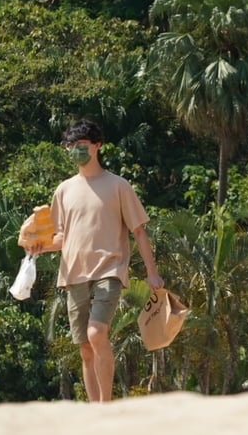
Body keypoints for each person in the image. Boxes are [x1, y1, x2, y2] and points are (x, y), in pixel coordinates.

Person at [30, 119, 164, 401]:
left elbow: (138, 231)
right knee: (85, 349)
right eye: (71, 146)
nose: (75, 151)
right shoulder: (63, 190)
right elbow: (62, 237)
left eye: (81, 146)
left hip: (109, 270)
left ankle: (106, 406)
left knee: (96, 332)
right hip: (73, 275)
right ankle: (95, 414)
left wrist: (152, 274)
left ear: (97, 146)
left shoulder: (118, 185)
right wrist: (38, 247)